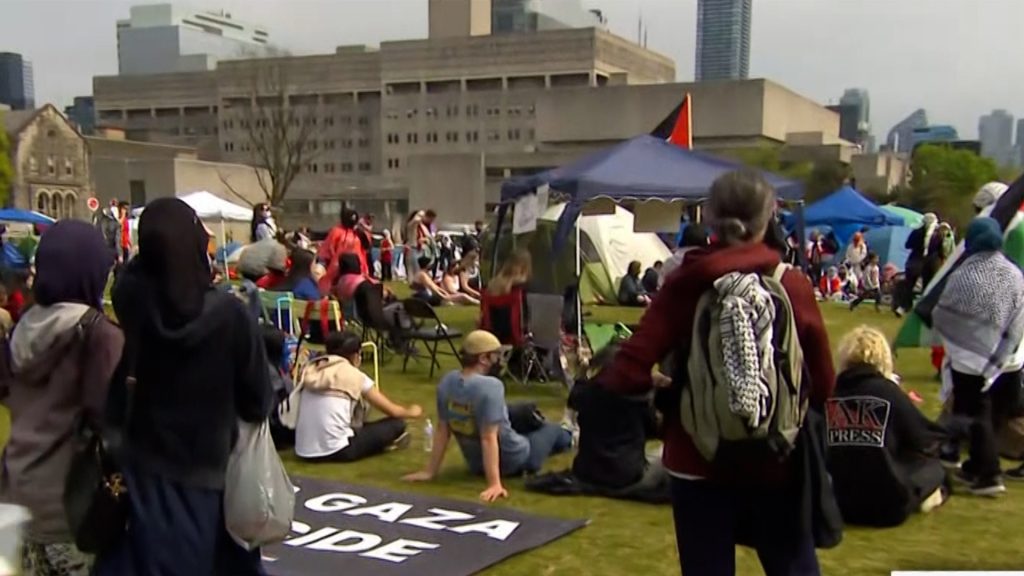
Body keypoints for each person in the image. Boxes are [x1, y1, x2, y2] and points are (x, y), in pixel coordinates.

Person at [596, 170, 835, 576]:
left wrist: (666, 389)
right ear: (768, 217)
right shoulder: (790, 283)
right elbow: (824, 382)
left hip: (697, 456)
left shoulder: (685, 283)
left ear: (708, 216)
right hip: (776, 455)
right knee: (791, 564)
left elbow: (626, 370)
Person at [95, 197, 273, 575]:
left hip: (143, 471)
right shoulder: (230, 316)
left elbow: (130, 277)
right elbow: (258, 400)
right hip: (210, 476)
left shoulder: (136, 305)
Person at [1, 221, 124, 576]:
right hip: (71, 509)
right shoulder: (99, 336)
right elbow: (110, 419)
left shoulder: (22, 327)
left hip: (18, 493)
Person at [403, 330, 573, 502]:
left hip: (475, 464)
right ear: (484, 358)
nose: (499, 361)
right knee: (553, 430)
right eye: (496, 356)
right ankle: (570, 435)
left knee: (522, 417)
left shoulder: (447, 382)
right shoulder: (491, 387)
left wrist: (430, 471)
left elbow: (443, 430)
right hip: (516, 460)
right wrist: (494, 483)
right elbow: (488, 438)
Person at [933, 217, 1024, 496]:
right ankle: (974, 465)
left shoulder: (962, 275)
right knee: (994, 418)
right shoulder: (1015, 274)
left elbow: (942, 314)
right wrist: (1001, 352)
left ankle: (989, 476)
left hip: (970, 361)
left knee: (977, 417)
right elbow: (1018, 322)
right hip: (1009, 361)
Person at [827, 326, 948, 527]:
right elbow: (926, 438)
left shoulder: (830, 394)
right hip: (888, 507)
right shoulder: (888, 393)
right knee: (934, 469)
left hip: (839, 504)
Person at [295, 331, 421, 463]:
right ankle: (387, 444)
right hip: (338, 450)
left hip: (304, 450)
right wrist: (412, 411)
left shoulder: (312, 370)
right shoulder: (354, 375)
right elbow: (393, 411)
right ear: (356, 356)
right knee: (397, 424)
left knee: (363, 426)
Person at [896, 213, 940, 316]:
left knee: (909, 285)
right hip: (930, 262)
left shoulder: (916, 232)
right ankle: (925, 309)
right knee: (928, 286)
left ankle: (903, 307)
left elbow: (907, 245)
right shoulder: (937, 234)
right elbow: (940, 249)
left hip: (915, 260)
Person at [318, 206, 368, 293]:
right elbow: (328, 249)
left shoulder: (359, 233)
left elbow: (365, 248)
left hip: (356, 266)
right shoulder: (336, 231)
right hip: (339, 267)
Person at [412, 256, 478, 306]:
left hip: (425, 297)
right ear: (426, 265)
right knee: (463, 296)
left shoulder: (423, 274)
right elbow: (432, 287)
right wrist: (443, 296)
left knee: (459, 298)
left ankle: (476, 302)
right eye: (430, 264)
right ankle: (478, 303)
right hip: (425, 298)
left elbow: (435, 286)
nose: (432, 265)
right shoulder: (422, 275)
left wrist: (444, 292)